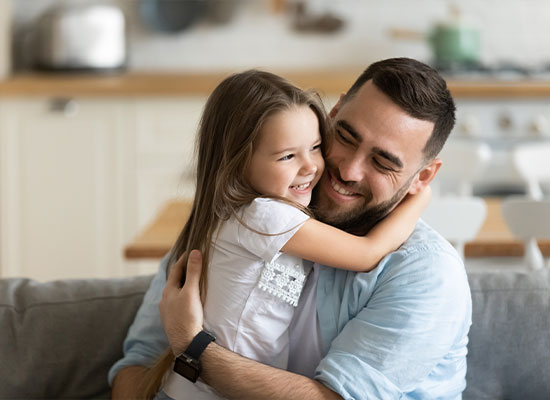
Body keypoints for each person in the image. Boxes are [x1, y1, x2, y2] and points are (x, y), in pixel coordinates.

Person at [110, 58, 472, 399]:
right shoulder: (235, 218)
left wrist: (191, 345)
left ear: (422, 177)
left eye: (381, 162)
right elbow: (136, 369)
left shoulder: (425, 272)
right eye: (344, 137)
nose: (348, 171)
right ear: (331, 114)